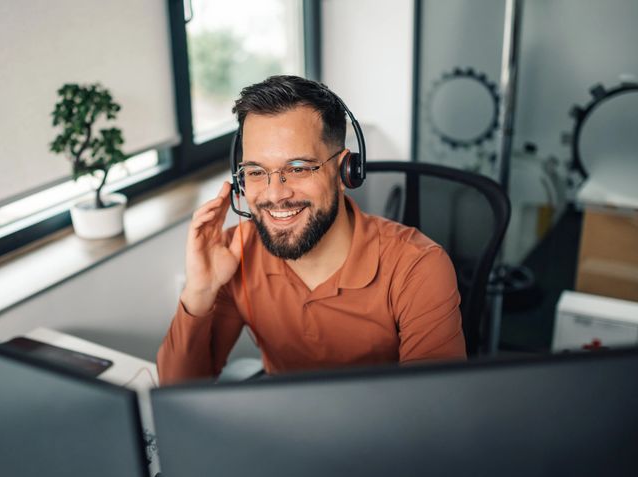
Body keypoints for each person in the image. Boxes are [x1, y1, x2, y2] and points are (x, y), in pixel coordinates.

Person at [157, 75, 465, 385]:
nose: (275, 194)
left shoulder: (417, 266)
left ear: (346, 171)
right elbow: (178, 389)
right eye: (255, 171)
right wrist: (199, 292)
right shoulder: (233, 253)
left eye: (298, 168)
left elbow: (432, 412)